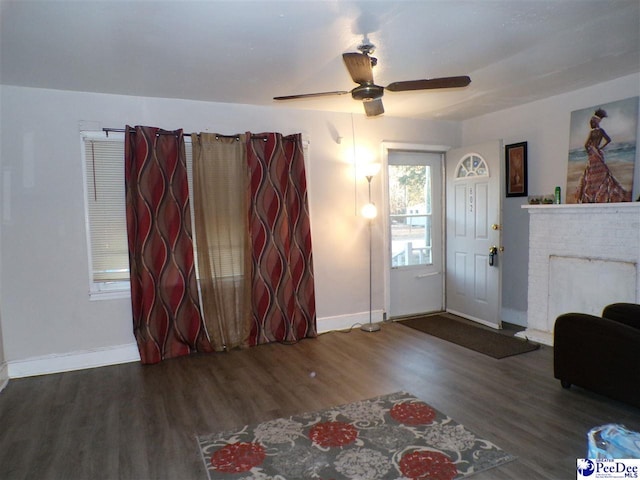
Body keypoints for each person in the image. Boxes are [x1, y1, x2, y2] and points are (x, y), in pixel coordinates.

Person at [575, 109, 631, 203]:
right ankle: (599, 195)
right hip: (598, 153)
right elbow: (608, 140)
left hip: (593, 154)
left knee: (591, 174)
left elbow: (586, 145)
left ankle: (592, 196)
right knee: (602, 173)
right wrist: (600, 148)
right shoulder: (601, 131)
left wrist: (590, 151)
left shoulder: (592, 133)